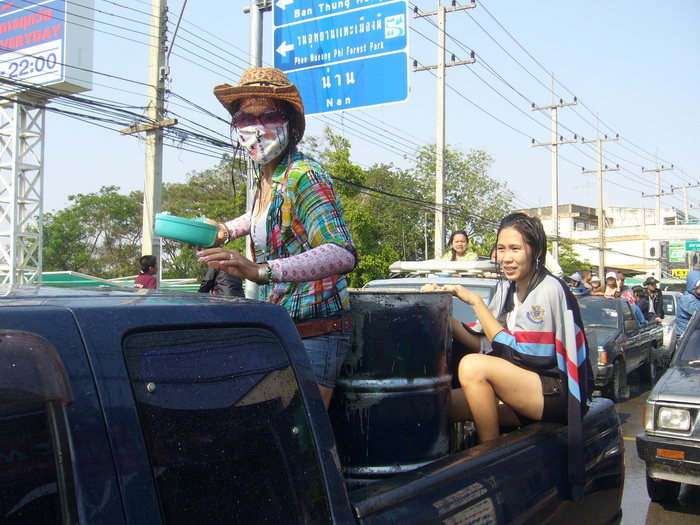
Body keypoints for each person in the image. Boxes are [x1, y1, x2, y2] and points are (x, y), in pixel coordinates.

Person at [197, 67, 358, 409]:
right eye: (245, 118)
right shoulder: (268, 178)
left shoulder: (305, 175)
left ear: (291, 124)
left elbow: (341, 252)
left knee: (293, 432)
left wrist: (261, 271)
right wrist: (225, 230)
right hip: (283, 326)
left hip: (317, 331)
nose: (256, 128)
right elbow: (265, 217)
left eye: (269, 116)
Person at [423, 212, 593, 501]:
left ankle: (491, 461)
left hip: (557, 390)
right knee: (440, 405)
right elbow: (483, 342)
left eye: (516, 249)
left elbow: (526, 355)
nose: (506, 258)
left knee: (472, 367)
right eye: (501, 249)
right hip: (524, 386)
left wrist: (476, 302)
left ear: (536, 251)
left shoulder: (548, 289)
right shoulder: (506, 288)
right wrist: (441, 308)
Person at [675, 270, 700, 338]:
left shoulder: (696, 297)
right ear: (693, 286)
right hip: (686, 338)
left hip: (694, 336)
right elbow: (697, 310)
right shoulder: (686, 299)